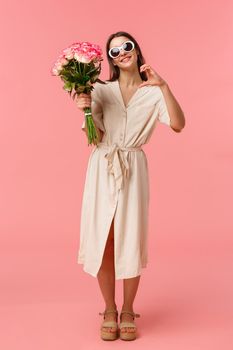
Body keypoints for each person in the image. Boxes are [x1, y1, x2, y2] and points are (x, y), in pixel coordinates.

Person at [76, 31, 185, 341]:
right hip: (103, 165)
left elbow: (178, 124)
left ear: (137, 50)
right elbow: (93, 137)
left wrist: (164, 86)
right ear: (110, 59)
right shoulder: (100, 89)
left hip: (133, 168)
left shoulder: (152, 92)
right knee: (104, 238)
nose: (122, 52)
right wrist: (84, 108)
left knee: (130, 237)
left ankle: (128, 309)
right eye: (114, 51)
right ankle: (109, 309)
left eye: (127, 46)